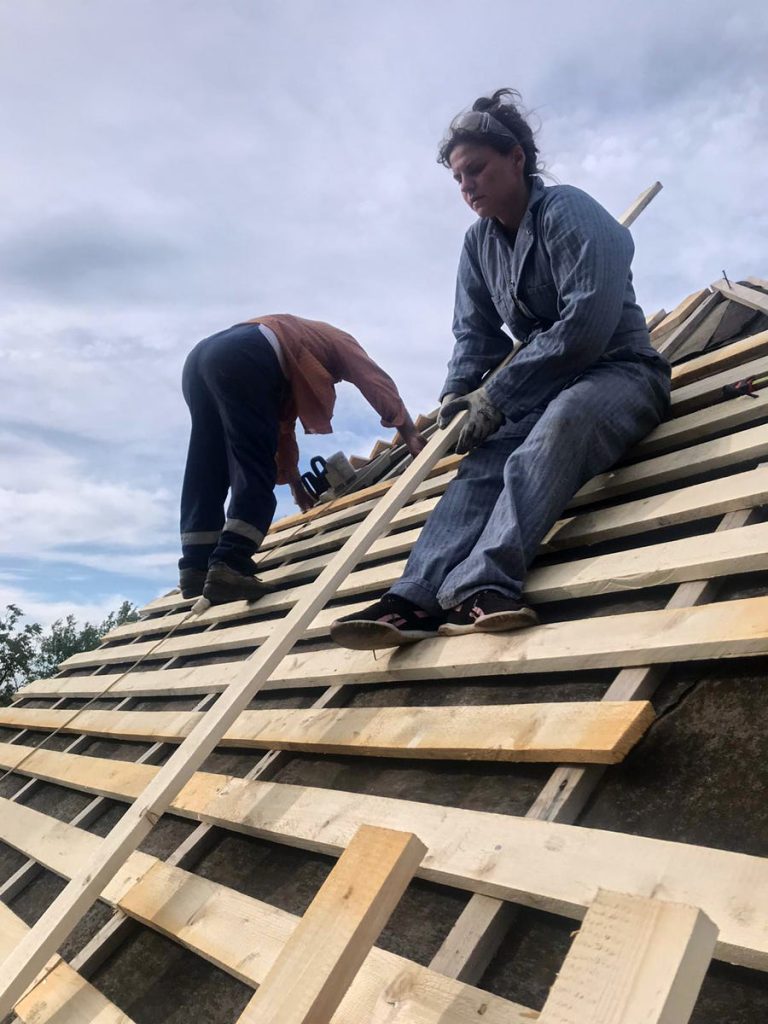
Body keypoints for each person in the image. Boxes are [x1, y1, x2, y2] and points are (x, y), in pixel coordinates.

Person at [330, 89, 671, 650]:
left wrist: (500, 394)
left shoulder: (570, 212)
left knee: (563, 419)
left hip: (619, 373)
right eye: (459, 179)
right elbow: (475, 337)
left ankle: (487, 580)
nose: (467, 187)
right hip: (539, 387)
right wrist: (459, 399)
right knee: (487, 458)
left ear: (517, 158)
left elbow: (584, 327)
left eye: (477, 170)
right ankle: (413, 597)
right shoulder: (477, 245)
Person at [178, 314, 426, 604]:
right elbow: (373, 379)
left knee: (208, 462)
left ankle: (195, 565)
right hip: (243, 355)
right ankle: (230, 563)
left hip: (200, 358)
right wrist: (408, 431)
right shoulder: (338, 340)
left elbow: (283, 430)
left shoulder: (291, 352)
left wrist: (296, 485)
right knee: (254, 460)